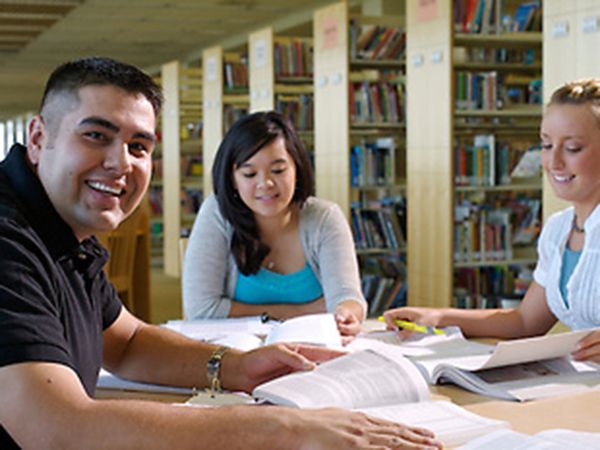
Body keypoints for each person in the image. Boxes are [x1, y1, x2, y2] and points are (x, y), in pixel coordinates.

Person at [0, 57, 442, 449]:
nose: (121, 163)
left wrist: (236, 367)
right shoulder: (8, 240)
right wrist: (282, 428)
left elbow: (128, 343)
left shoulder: (65, 233)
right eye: (96, 135)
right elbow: (56, 429)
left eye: (139, 146)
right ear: (38, 138)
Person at [384, 78, 600, 364]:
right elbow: (525, 322)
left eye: (572, 148)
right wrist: (438, 317)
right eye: (546, 145)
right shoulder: (558, 230)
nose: (554, 162)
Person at [183, 111, 367, 337]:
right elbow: (201, 310)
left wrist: (346, 314)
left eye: (278, 170)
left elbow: (348, 297)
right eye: (249, 174)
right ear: (232, 179)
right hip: (237, 355)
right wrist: (307, 311)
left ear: (297, 168)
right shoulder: (217, 213)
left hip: (313, 351)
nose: (265, 184)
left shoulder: (325, 218)